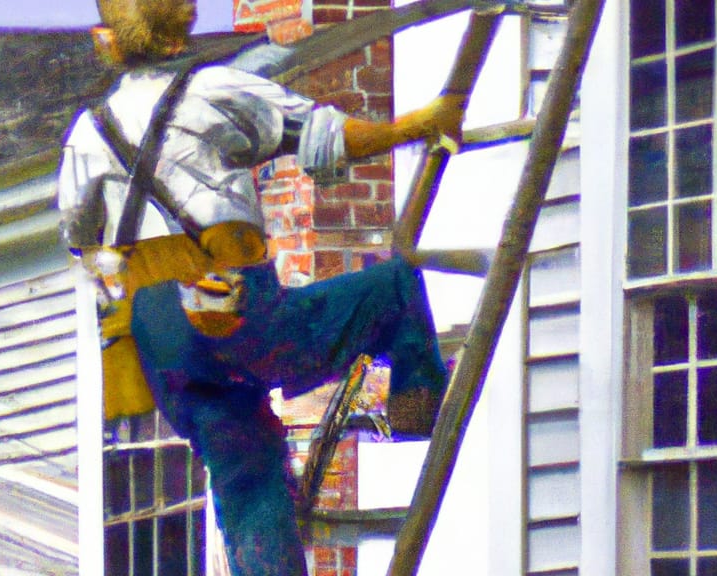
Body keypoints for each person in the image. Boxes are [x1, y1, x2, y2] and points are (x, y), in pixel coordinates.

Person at [57, 0, 462, 573]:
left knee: (248, 477)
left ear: (109, 43)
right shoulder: (215, 90)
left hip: (158, 331)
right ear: (180, 34)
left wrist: (124, 318)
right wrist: (419, 126)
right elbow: (331, 138)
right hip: (227, 299)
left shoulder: (88, 130)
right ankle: (416, 402)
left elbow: (80, 239)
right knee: (394, 288)